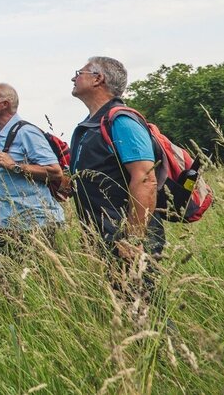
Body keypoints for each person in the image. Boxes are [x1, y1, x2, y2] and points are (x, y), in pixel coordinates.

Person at [69, 56, 164, 295]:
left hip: (127, 237)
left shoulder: (120, 120)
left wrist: (133, 238)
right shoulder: (91, 124)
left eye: (79, 72)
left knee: (142, 309)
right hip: (105, 234)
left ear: (98, 79)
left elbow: (145, 179)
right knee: (119, 309)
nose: (73, 77)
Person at [0, 83, 65, 257]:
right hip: (7, 220)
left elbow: (55, 171)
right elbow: (1, 178)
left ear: (5, 104)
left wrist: (15, 166)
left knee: (37, 278)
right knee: (1, 277)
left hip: (36, 222)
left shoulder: (26, 132)